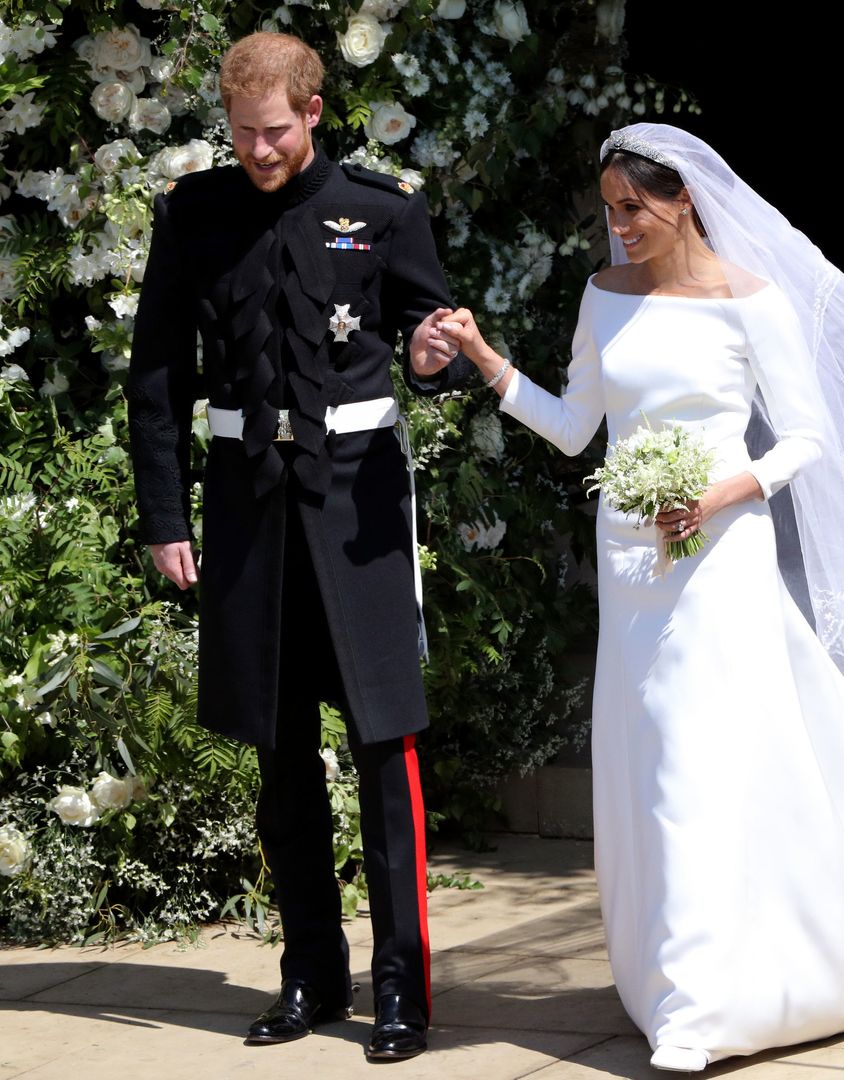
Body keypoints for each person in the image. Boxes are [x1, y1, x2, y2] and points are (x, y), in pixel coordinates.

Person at [435, 123, 844, 1072]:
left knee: (701, 759)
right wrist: (488, 360)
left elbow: (807, 437)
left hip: (721, 551)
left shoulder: (751, 299)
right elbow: (577, 432)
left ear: (685, 198)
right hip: (630, 561)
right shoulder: (602, 297)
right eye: (610, 210)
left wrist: (723, 492)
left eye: (636, 207)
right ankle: (673, 970)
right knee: (650, 757)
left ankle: (700, 1009)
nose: (621, 227)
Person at [127, 32, 467, 1062]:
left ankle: (402, 988)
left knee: (383, 752)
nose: (259, 151)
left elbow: (430, 341)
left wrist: (428, 352)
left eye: (274, 132)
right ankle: (311, 976)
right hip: (245, 514)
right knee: (281, 763)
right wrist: (165, 518)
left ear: (313, 112)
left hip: (355, 514)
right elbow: (156, 377)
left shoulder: (384, 209)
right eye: (241, 134)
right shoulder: (195, 215)